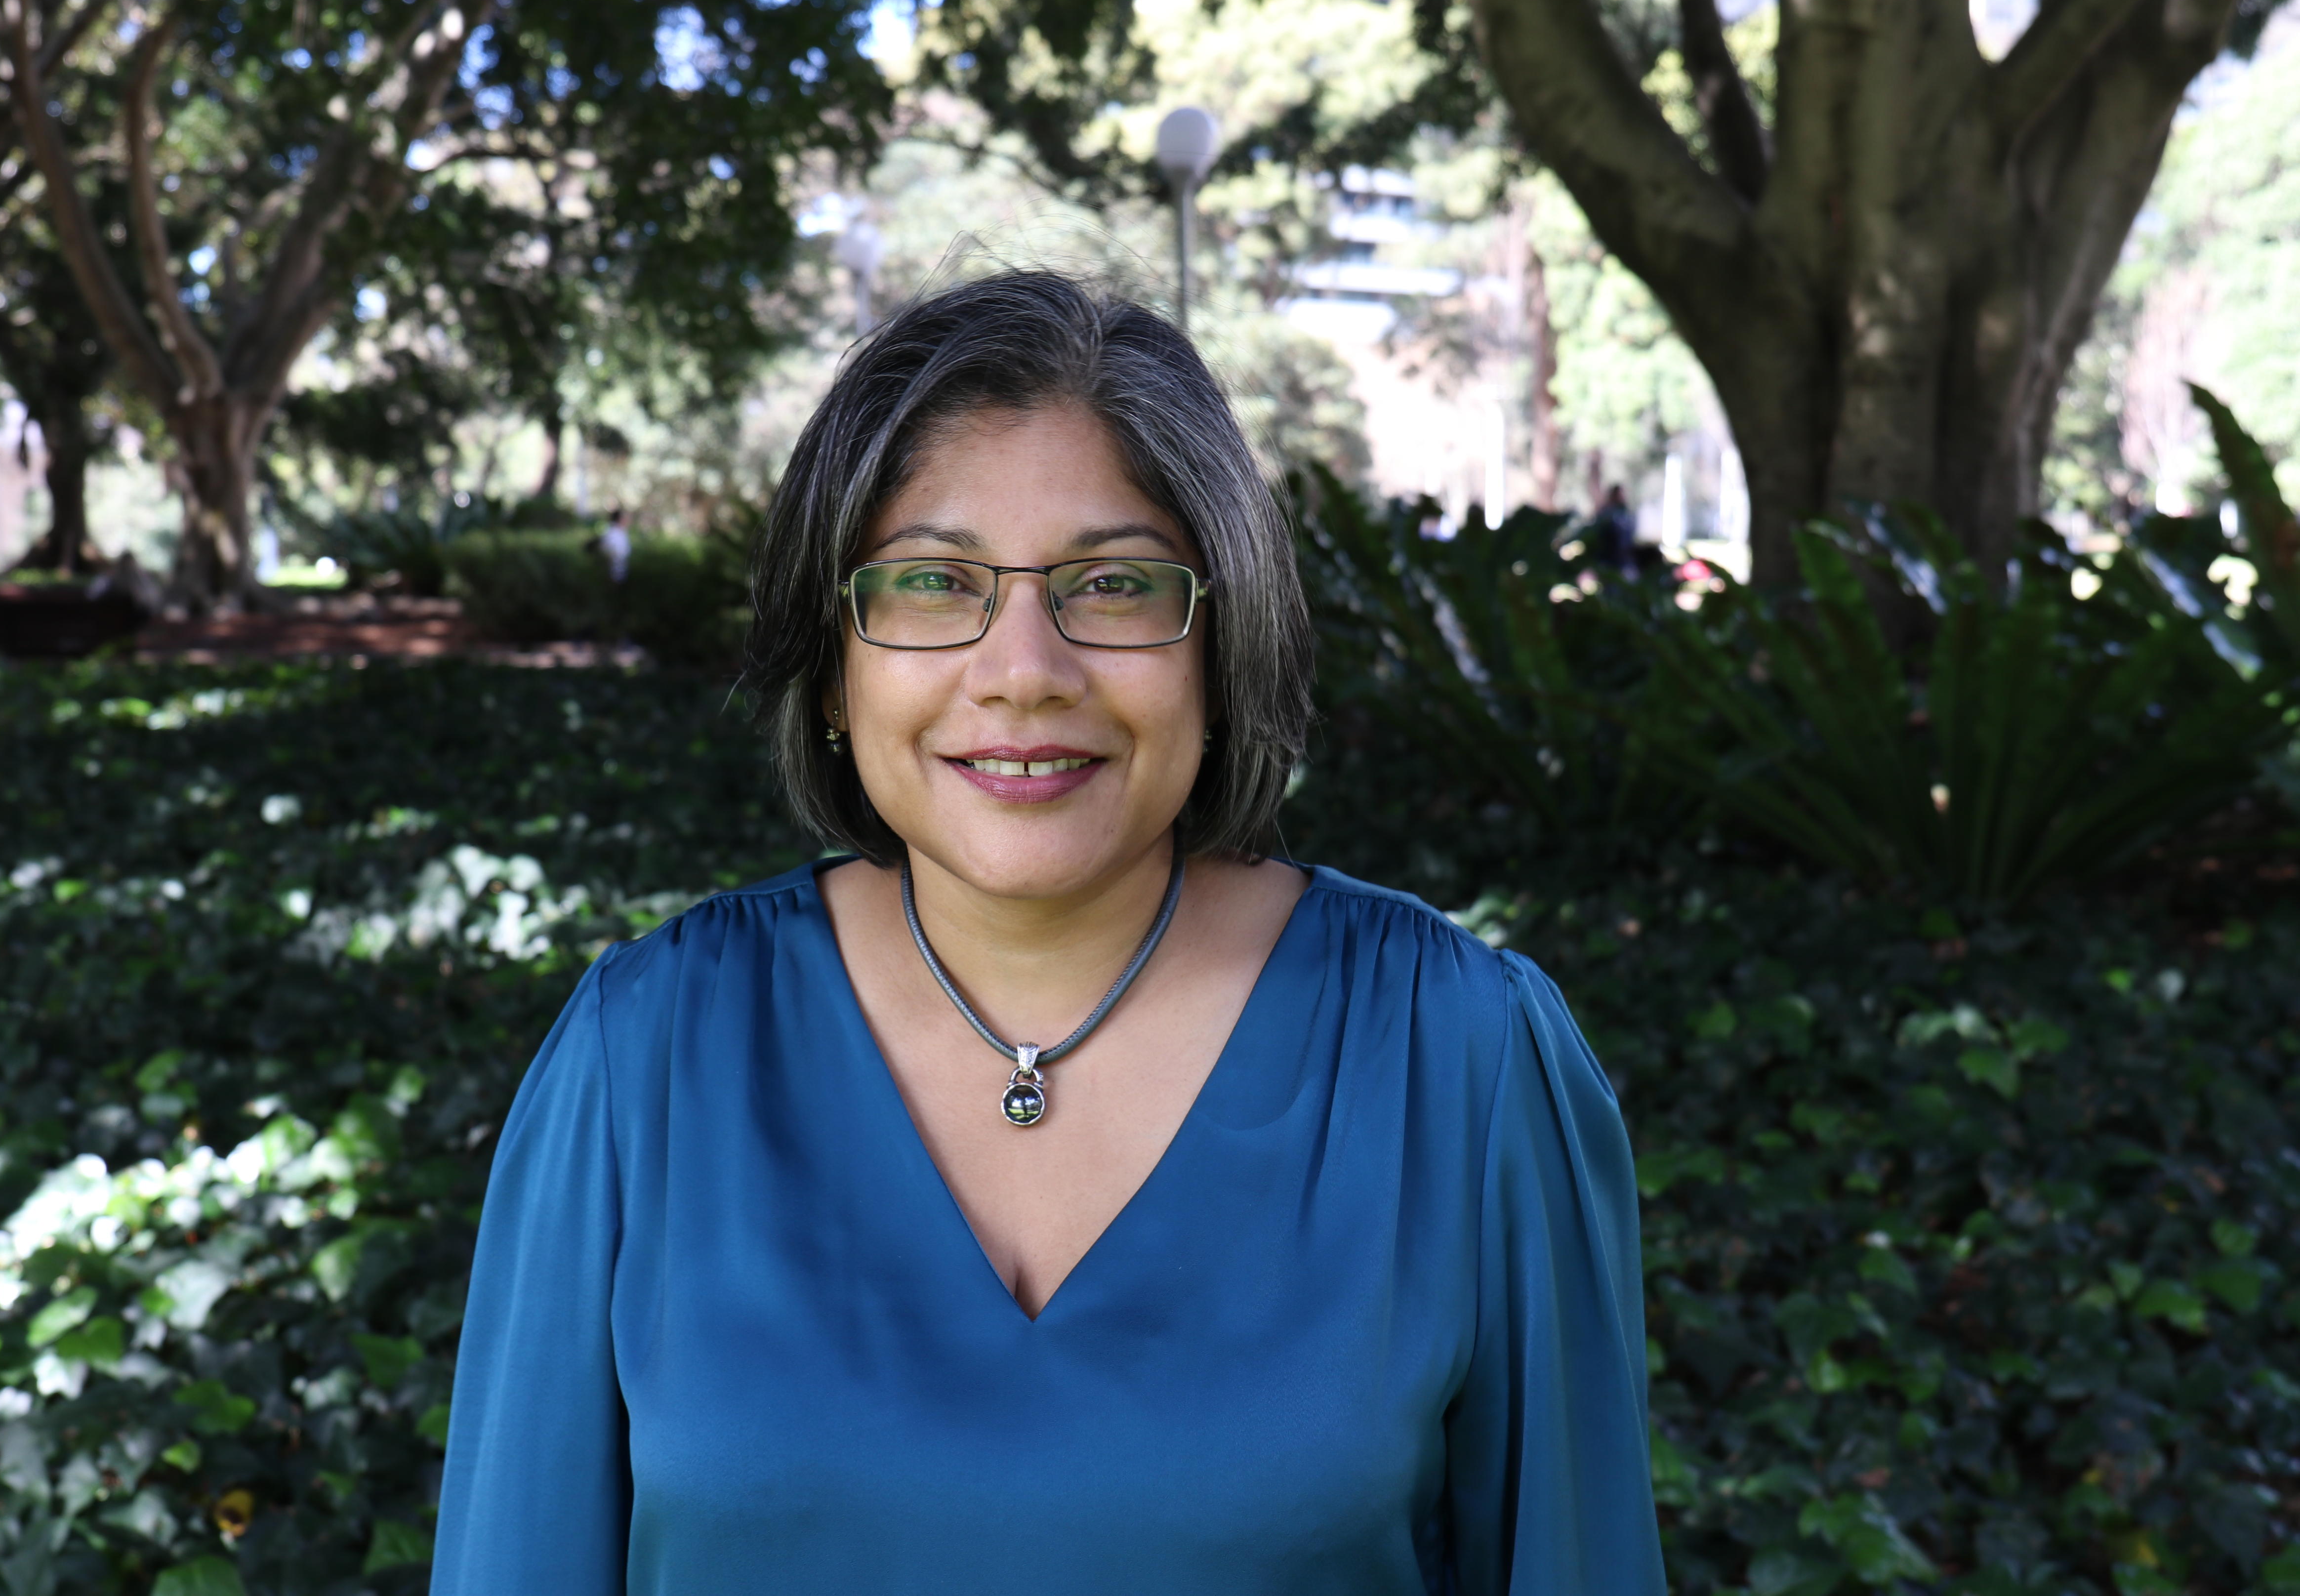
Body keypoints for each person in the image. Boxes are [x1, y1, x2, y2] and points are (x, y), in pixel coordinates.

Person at [432, 271, 1664, 1596]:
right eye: (932, 582)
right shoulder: (639, 1064)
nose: (1023, 668)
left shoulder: (1463, 1058)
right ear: (837, 660)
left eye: (1117, 585)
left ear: (1218, 644)